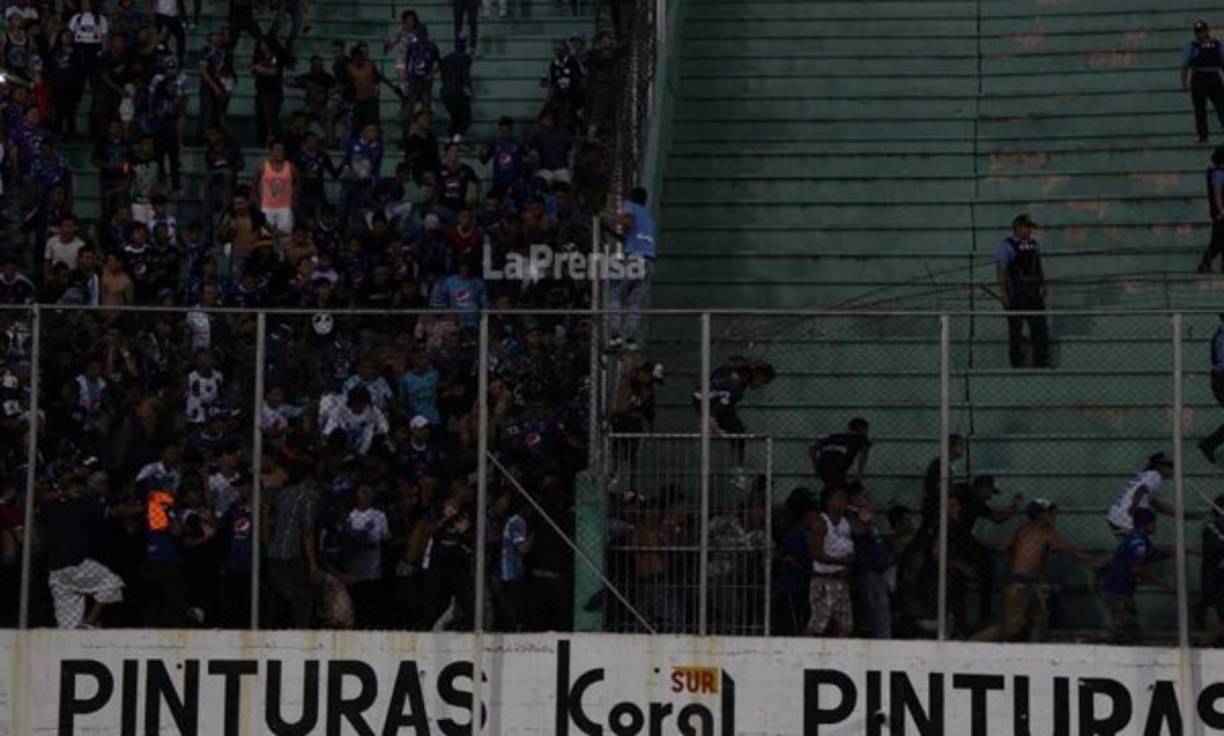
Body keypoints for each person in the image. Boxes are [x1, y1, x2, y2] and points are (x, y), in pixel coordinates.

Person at [972, 499, 1096, 642]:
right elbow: (1070, 550)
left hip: (1022, 583)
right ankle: (972, 642)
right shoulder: (1046, 531)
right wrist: (1093, 560)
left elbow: (1003, 546)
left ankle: (1037, 651)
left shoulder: (1022, 530)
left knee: (1039, 621)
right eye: (1051, 513)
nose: (1055, 516)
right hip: (1021, 585)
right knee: (1010, 628)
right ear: (1041, 515)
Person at [41, 474, 125, 628]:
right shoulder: (84, 504)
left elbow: (40, 498)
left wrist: (62, 493)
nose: (78, 488)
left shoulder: (50, 505)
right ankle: (88, 623)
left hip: (57, 572)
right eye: (75, 485)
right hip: (76, 565)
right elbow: (112, 512)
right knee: (112, 583)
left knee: (68, 629)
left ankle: (79, 633)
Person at [1100, 508, 1169, 644]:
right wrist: (1158, 581)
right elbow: (1137, 569)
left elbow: (1152, 554)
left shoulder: (1136, 537)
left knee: (1129, 625)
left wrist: (1173, 552)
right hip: (1118, 589)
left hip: (1118, 587)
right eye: (1153, 523)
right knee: (1124, 626)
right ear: (1146, 524)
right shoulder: (1139, 543)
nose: (1155, 526)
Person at [603, 186, 655, 350]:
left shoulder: (630, 206)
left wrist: (607, 216)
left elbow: (627, 220)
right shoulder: (648, 218)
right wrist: (610, 231)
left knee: (616, 294)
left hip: (633, 259)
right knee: (635, 301)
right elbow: (629, 238)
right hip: (648, 261)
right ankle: (631, 339)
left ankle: (615, 336)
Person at [996, 214, 1049, 368]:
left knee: (1040, 330)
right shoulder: (1006, 245)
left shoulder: (1034, 244)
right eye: (1026, 227)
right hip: (1016, 294)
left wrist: (1043, 284)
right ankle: (1017, 365)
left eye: (1030, 228)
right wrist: (1004, 294)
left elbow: (1037, 265)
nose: (1029, 231)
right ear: (1018, 228)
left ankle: (1041, 363)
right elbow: (1001, 271)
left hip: (1034, 293)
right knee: (1016, 332)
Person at [806, 486, 854, 637]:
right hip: (824, 580)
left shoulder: (845, 522)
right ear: (829, 501)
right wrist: (840, 562)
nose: (844, 501)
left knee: (845, 625)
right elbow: (815, 553)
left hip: (842, 580)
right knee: (818, 624)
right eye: (839, 497)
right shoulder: (821, 523)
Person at [1107, 452, 1175, 537]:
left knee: (1141, 539)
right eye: (1169, 466)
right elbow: (1141, 489)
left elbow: (1154, 503)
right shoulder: (1155, 476)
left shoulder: (1145, 475)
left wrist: (1176, 512)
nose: (1173, 469)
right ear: (1159, 466)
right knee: (1145, 531)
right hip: (1125, 518)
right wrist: (1133, 508)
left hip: (1115, 516)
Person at [1183, 20, 1224, 144]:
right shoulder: (1192, 46)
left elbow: (1223, 61)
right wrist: (1184, 83)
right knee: (1200, 109)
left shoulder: (1217, 44)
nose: (1201, 34)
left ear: (1207, 31)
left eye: (1203, 31)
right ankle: (1203, 137)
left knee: (1221, 106)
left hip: (1213, 76)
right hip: (1198, 78)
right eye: (1199, 32)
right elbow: (1185, 65)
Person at [810, 417, 872, 489]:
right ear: (861, 429)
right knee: (841, 490)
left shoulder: (834, 436)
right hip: (837, 468)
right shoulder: (860, 438)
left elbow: (812, 448)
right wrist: (860, 473)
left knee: (832, 488)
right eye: (866, 430)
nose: (867, 432)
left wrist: (815, 466)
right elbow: (864, 453)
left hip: (823, 466)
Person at [253, 140, 298, 238]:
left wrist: (294, 200)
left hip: (285, 207)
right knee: (266, 235)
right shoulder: (263, 166)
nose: (280, 152)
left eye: (282, 150)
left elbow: (298, 183)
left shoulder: (290, 166)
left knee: (285, 236)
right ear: (271, 151)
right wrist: (258, 204)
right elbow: (254, 185)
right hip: (267, 207)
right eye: (277, 150)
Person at [439, 35, 473, 143]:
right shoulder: (465, 58)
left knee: (455, 118)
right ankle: (456, 141)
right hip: (457, 91)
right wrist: (468, 89)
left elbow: (443, 75)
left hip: (445, 92)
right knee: (466, 118)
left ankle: (449, 140)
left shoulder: (446, 58)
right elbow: (464, 74)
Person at [1202, 148, 1224, 273]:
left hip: (1219, 213)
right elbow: (1217, 194)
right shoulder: (1219, 173)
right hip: (1220, 214)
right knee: (1217, 242)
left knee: (1220, 240)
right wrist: (1221, 211)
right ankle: (1205, 264)